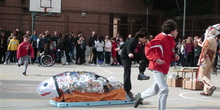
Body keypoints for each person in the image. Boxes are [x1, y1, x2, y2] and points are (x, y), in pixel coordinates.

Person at [134, 19, 179, 110]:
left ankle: (140, 96)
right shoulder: (161, 38)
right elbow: (148, 47)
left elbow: (169, 53)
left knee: (155, 90)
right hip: (157, 67)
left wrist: (175, 56)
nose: (177, 32)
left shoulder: (172, 41)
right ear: (172, 30)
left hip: (164, 68)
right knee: (164, 89)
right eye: (176, 30)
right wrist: (155, 59)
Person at [120, 27, 150, 101]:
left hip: (130, 55)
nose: (145, 40)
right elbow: (129, 46)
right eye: (145, 38)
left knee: (144, 56)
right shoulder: (134, 40)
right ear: (141, 37)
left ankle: (141, 73)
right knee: (127, 71)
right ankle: (127, 90)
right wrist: (129, 53)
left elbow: (126, 43)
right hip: (125, 57)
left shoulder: (135, 40)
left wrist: (119, 47)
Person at [197, 24, 219, 96]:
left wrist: (202, 58)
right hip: (211, 58)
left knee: (202, 75)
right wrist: (200, 44)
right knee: (207, 74)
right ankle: (206, 91)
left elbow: (205, 49)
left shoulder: (208, 39)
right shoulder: (214, 40)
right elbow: (207, 47)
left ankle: (210, 86)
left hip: (206, 58)